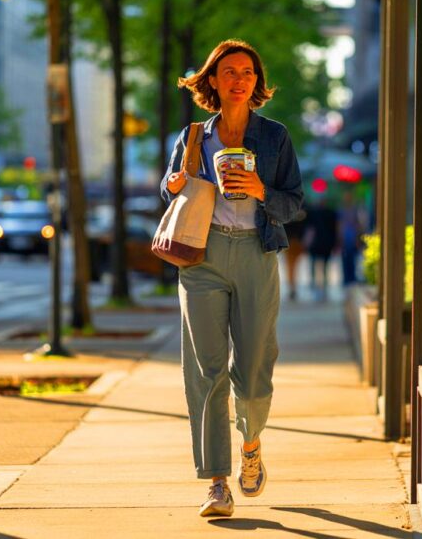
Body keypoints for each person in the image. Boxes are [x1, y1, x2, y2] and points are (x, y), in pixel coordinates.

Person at [160, 39, 304, 518]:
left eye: (247, 72)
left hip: (257, 253)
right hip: (203, 255)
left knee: (256, 365)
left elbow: (294, 204)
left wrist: (261, 189)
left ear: (256, 83)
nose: (238, 79)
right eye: (229, 72)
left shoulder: (275, 136)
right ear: (213, 81)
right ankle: (216, 482)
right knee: (206, 369)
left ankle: (251, 444)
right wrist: (175, 183)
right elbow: (169, 187)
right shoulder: (195, 135)